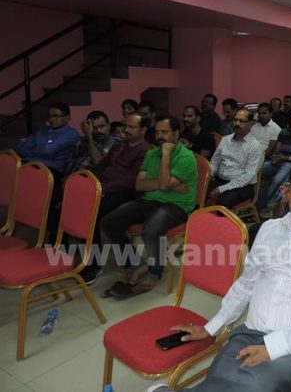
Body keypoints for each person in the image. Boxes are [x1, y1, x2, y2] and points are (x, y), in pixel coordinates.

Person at [146, 159, 291, 392]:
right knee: (223, 376)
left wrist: (273, 347)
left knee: (256, 384)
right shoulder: (269, 229)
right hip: (251, 334)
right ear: (288, 192)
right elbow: (246, 285)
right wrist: (211, 327)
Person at [101, 115, 198, 298]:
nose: (160, 136)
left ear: (176, 133)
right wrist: (168, 184)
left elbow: (162, 184)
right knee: (109, 222)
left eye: (165, 132)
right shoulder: (151, 154)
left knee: (151, 230)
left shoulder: (186, 157)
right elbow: (140, 185)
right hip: (150, 200)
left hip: (177, 205)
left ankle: (155, 271)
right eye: (157, 132)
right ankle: (133, 264)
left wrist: (166, 156)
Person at [78, 113, 152, 284]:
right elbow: (102, 166)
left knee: (92, 215)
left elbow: (132, 181)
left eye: (132, 127)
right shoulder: (120, 145)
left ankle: (94, 265)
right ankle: (79, 256)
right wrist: (92, 184)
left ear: (143, 130)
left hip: (126, 193)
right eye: (126, 125)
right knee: (77, 208)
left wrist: (102, 189)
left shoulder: (146, 151)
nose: (126, 130)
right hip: (105, 188)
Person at [258, 107, 291, 210]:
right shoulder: (284, 131)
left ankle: (261, 205)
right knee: (256, 171)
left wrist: (286, 158)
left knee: (277, 180)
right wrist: (275, 157)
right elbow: (277, 149)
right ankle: (252, 200)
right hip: (279, 160)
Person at [209, 108, 263, 208]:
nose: (237, 123)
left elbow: (248, 175)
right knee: (198, 191)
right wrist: (208, 176)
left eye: (241, 121)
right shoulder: (225, 139)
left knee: (222, 205)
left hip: (241, 186)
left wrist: (223, 188)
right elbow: (215, 162)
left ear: (251, 124)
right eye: (235, 120)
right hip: (220, 180)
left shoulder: (254, 146)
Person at [16, 102, 80, 175]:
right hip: (31, 163)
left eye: (56, 116)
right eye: (50, 116)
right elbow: (20, 148)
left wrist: (32, 148)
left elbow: (47, 150)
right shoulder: (42, 131)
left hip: (52, 168)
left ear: (67, 118)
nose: (51, 119)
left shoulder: (71, 133)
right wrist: (41, 148)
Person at [65, 110, 116, 175]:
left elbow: (98, 161)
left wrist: (89, 137)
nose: (98, 130)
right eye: (94, 128)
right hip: (73, 176)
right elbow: (71, 162)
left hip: (92, 179)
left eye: (102, 126)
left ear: (109, 125)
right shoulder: (81, 141)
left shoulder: (114, 142)